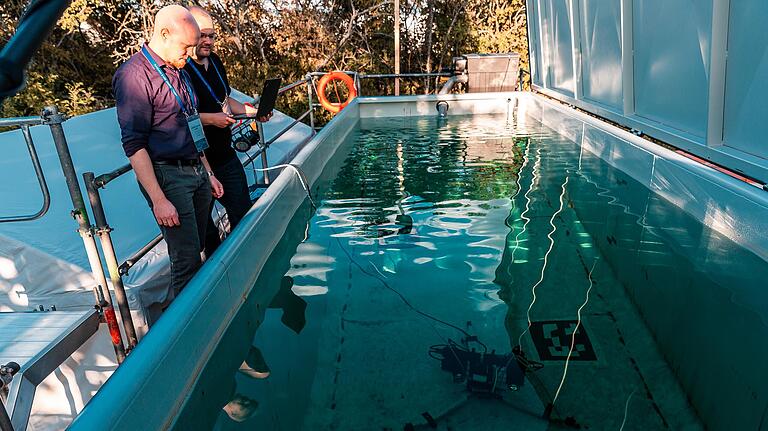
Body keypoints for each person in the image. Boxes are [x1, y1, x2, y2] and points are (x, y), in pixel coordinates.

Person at [112, 5, 224, 301]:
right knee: (185, 258)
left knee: (198, 243)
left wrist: (208, 172)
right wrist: (159, 200)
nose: (191, 52)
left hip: (196, 170)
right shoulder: (134, 76)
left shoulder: (179, 70)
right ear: (164, 34)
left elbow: (190, 123)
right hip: (168, 175)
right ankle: (181, 331)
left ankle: (193, 307)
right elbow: (134, 145)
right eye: (186, 46)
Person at [185, 6, 272, 257]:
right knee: (205, 229)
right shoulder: (181, 69)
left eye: (212, 35)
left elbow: (225, 100)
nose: (208, 41)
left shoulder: (215, 62)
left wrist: (253, 112)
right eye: (203, 35)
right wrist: (211, 120)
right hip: (196, 162)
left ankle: (243, 262)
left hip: (224, 155)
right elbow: (179, 117)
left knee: (242, 214)